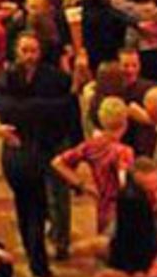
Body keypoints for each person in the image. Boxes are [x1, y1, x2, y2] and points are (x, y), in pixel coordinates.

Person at [0, 30, 79, 277]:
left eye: (33, 50)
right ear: (17, 51)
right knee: (31, 206)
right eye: (24, 50)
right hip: (22, 153)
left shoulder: (50, 79)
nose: (29, 56)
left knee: (45, 202)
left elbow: (68, 107)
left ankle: (51, 246)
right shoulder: (10, 80)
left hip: (42, 147)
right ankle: (38, 261)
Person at [52, 95, 134, 232]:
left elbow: (57, 163)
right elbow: (123, 183)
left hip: (101, 208)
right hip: (121, 211)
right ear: (125, 123)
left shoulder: (90, 146)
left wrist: (82, 185)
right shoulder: (124, 152)